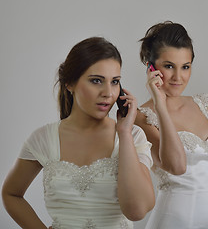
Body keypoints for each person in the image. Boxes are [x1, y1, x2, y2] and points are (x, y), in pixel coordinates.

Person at [2, 37, 155, 229]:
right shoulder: (43, 139)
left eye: (114, 82)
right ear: (69, 83)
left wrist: (123, 133)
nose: (108, 92)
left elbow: (137, 211)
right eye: (96, 81)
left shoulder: (133, 136)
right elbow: (11, 194)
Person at [134, 21, 208, 229]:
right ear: (151, 68)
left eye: (185, 67)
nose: (179, 77)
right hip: (173, 222)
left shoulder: (201, 103)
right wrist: (160, 105)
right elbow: (175, 166)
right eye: (169, 66)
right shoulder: (141, 117)